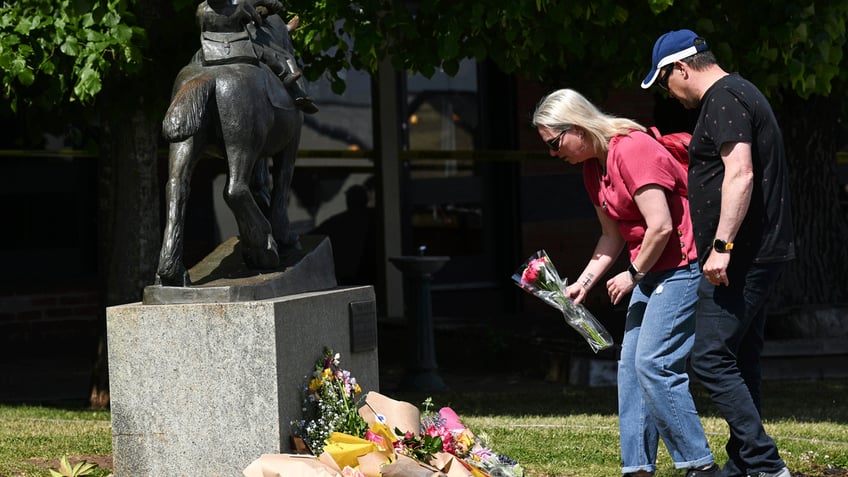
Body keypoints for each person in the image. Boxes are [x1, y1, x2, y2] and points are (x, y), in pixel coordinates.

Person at [532, 89, 717, 477]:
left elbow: (662, 226)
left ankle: (701, 466)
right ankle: (637, 469)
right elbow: (611, 236)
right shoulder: (591, 167)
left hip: (682, 266)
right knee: (630, 367)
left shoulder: (630, 149)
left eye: (555, 143)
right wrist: (582, 284)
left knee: (654, 364)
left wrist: (633, 275)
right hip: (650, 271)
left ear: (577, 126)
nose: (553, 153)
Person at [641, 30, 795, 477]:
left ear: (681, 69)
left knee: (709, 357)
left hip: (742, 256)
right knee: (740, 357)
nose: (668, 94)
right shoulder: (739, 92)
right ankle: (747, 463)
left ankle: (766, 466)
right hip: (757, 253)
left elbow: (741, 173)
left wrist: (721, 248)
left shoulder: (724, 98)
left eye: (664, 81)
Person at [197, 0, 318, 114]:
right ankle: (295, 88)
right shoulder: (240, 5)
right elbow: (258, 18)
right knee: (277, 56)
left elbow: (201, 26)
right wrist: (261, 13)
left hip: (211, 47)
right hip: (238, 44)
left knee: (196, 59)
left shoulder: (202, 8)